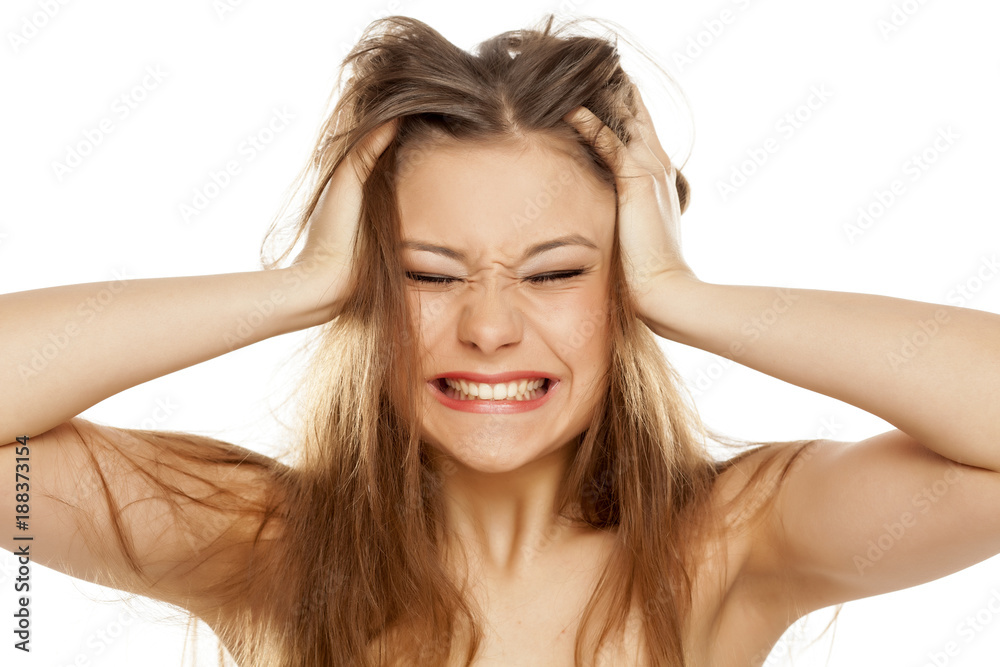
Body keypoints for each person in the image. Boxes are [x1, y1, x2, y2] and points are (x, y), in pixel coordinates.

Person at [3, 12, 1000, 667]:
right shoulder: (260, 544)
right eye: (428, 275)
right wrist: (301, 285)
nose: (486, 327)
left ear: (618, 296)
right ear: (370, 285)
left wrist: (678, 291)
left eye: (557, 272)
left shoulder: (733, 541)